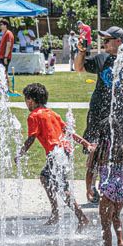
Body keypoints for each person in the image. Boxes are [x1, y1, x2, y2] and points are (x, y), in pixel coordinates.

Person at [74, 26, 123, 205]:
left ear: (119, 41)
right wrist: (81, 51)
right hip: (99, 112)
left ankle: (121, 186)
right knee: (95, 150)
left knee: (122, 150)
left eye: (107, 40)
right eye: (103, 40)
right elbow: (79, 67)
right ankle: (93, 188)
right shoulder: (102, 58)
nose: (104, 43)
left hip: (121, 115)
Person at [18, 83, 92, 231]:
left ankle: (80, 217)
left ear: (31, 100)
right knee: (46, 178)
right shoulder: (52, 113)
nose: (26, 103)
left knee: (61, 187)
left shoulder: (34, 115)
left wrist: (20, 153)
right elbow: (68, 132)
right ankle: (56, 212)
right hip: (63, 151)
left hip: (56, 154)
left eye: (26, 100)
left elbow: (31, 138)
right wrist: (86, 143)